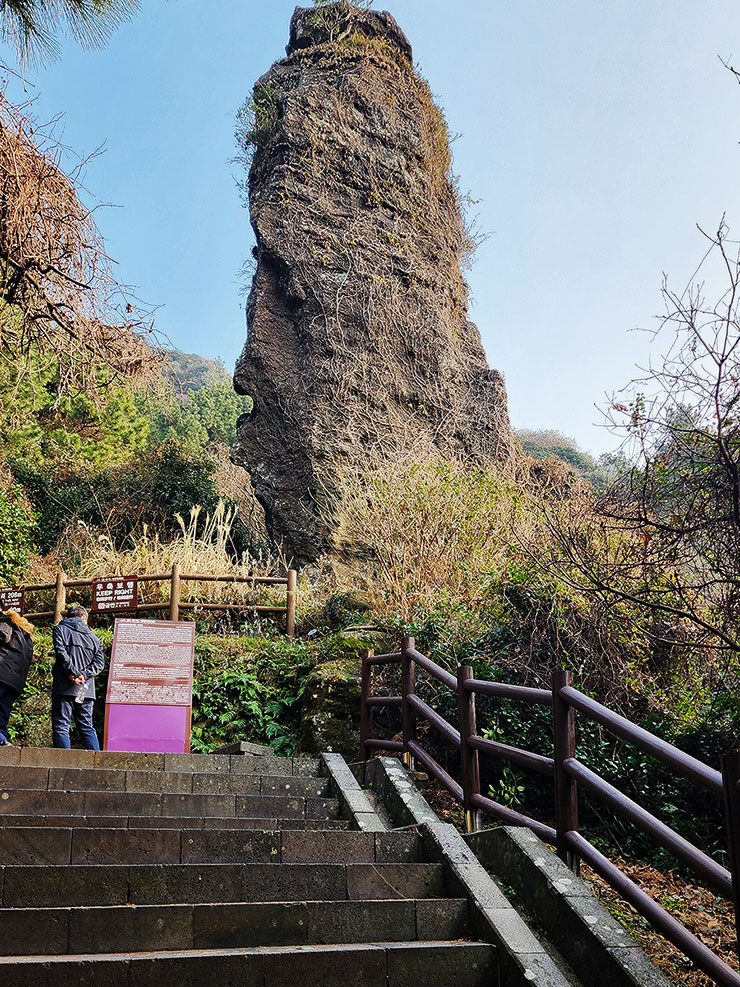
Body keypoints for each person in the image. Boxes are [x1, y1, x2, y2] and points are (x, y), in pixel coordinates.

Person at [51, 605, 105, 750]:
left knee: (62, 724)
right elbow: (99, 664)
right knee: (87, 726)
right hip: (85, 689)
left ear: (68, 617)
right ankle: (96, 764)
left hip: (65, 687)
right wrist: (83, 675)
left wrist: (74, 673)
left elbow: (61, 654)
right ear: (84, 619)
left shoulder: (60, 630)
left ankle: (63, 766)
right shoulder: (94, 639)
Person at [0, 608, 34, 747]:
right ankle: (2, 738)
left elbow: (2, 635)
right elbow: (31, 659)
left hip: (2, 674)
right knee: (3, 710)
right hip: (16, 681)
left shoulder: (4, 622)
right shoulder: (26, 635)